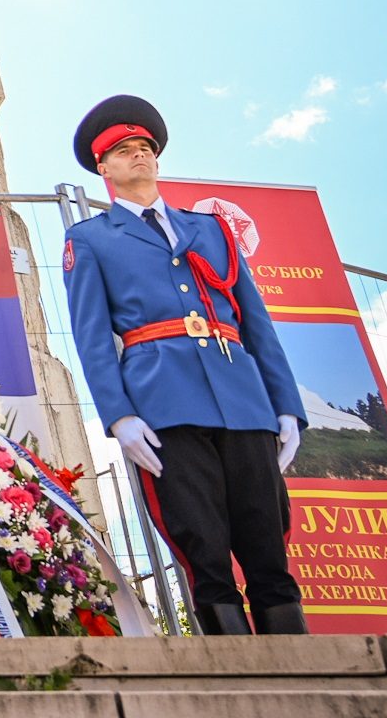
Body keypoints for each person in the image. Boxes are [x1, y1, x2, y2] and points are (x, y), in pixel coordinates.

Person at [63, 94, 308, 635]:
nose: (139, 157)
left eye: (146, 148)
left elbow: (256, 322)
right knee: (202, 544)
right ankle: (237, 673)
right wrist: (119, 417)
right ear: (103, 167)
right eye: (124, 151)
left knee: (267, 537)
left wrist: (286, 406)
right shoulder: (90, 239)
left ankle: (302, 661)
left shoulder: (212, 230)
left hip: (242, 398)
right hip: (163, 402)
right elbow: (92, 337)